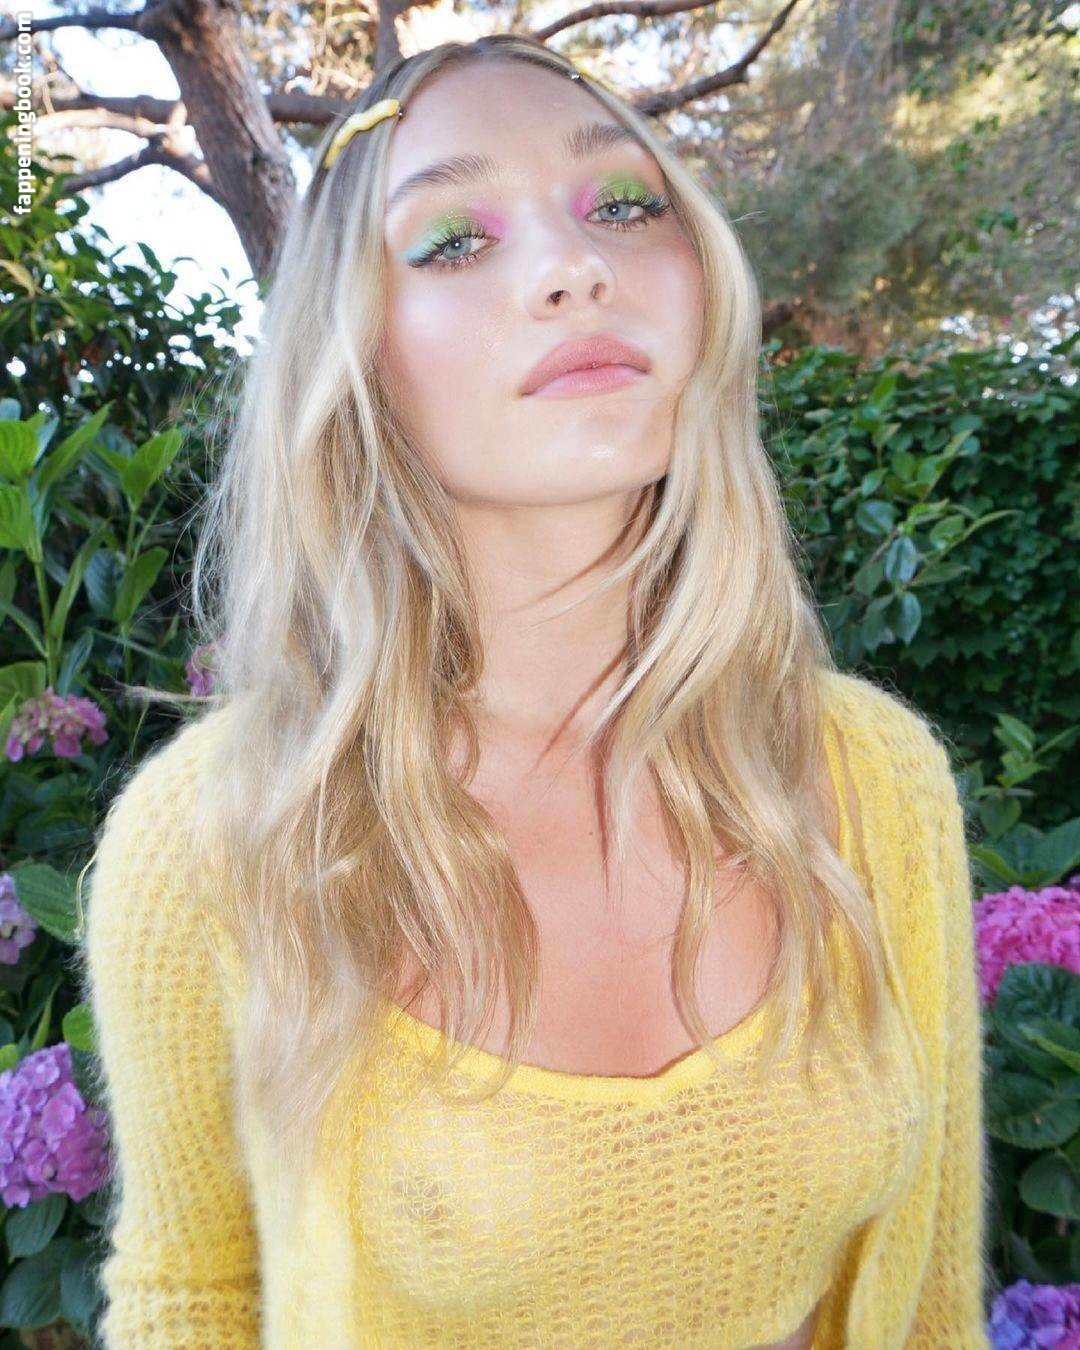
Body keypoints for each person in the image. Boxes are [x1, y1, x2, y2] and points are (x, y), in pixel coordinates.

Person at [77, 33, 991, 1349]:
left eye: (622, 204)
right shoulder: (222, 838)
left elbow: (934, 1295)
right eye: (453, 239)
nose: (575, 264)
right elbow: (191, 1298)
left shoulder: (876, 780)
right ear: (353, 356)